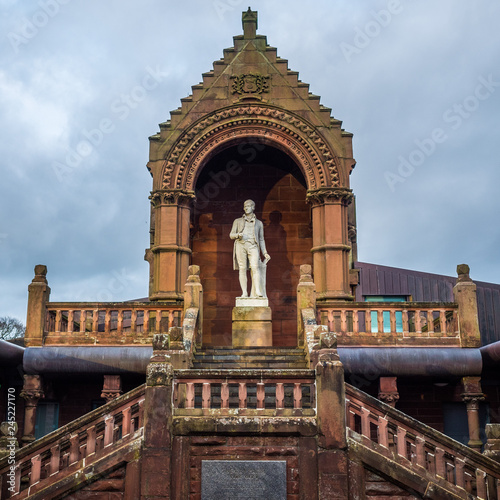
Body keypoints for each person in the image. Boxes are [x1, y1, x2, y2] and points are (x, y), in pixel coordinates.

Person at [230, 200, 270, 298]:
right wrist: (238, 235)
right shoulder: (237, 221)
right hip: (241, 245)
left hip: (253, 246)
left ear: (253, 207)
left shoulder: (259, 223)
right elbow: (231, 235)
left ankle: (257, 291)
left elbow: (261, 239)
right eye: (245, 206)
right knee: (242, 268)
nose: (246, 208)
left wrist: (264, 252)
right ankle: (244, 292)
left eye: (248, 206)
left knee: (255, 267)